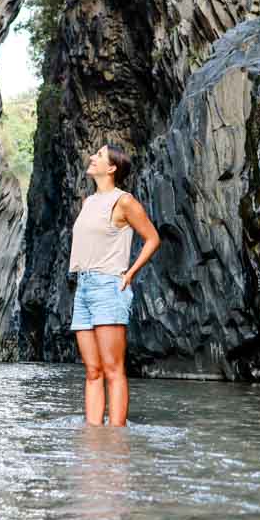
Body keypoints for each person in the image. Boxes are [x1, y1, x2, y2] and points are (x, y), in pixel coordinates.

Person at [68, 144, 160, 426]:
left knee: (113, 369)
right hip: (83, 288)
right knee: (92, 370)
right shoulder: (88, 202)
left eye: (99, 155)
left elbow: (152, 238)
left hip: (108, 287)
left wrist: (130, 273)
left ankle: (116, 436)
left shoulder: (124, 201)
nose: (92, 157)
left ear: (111, 168)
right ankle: (94, 433)